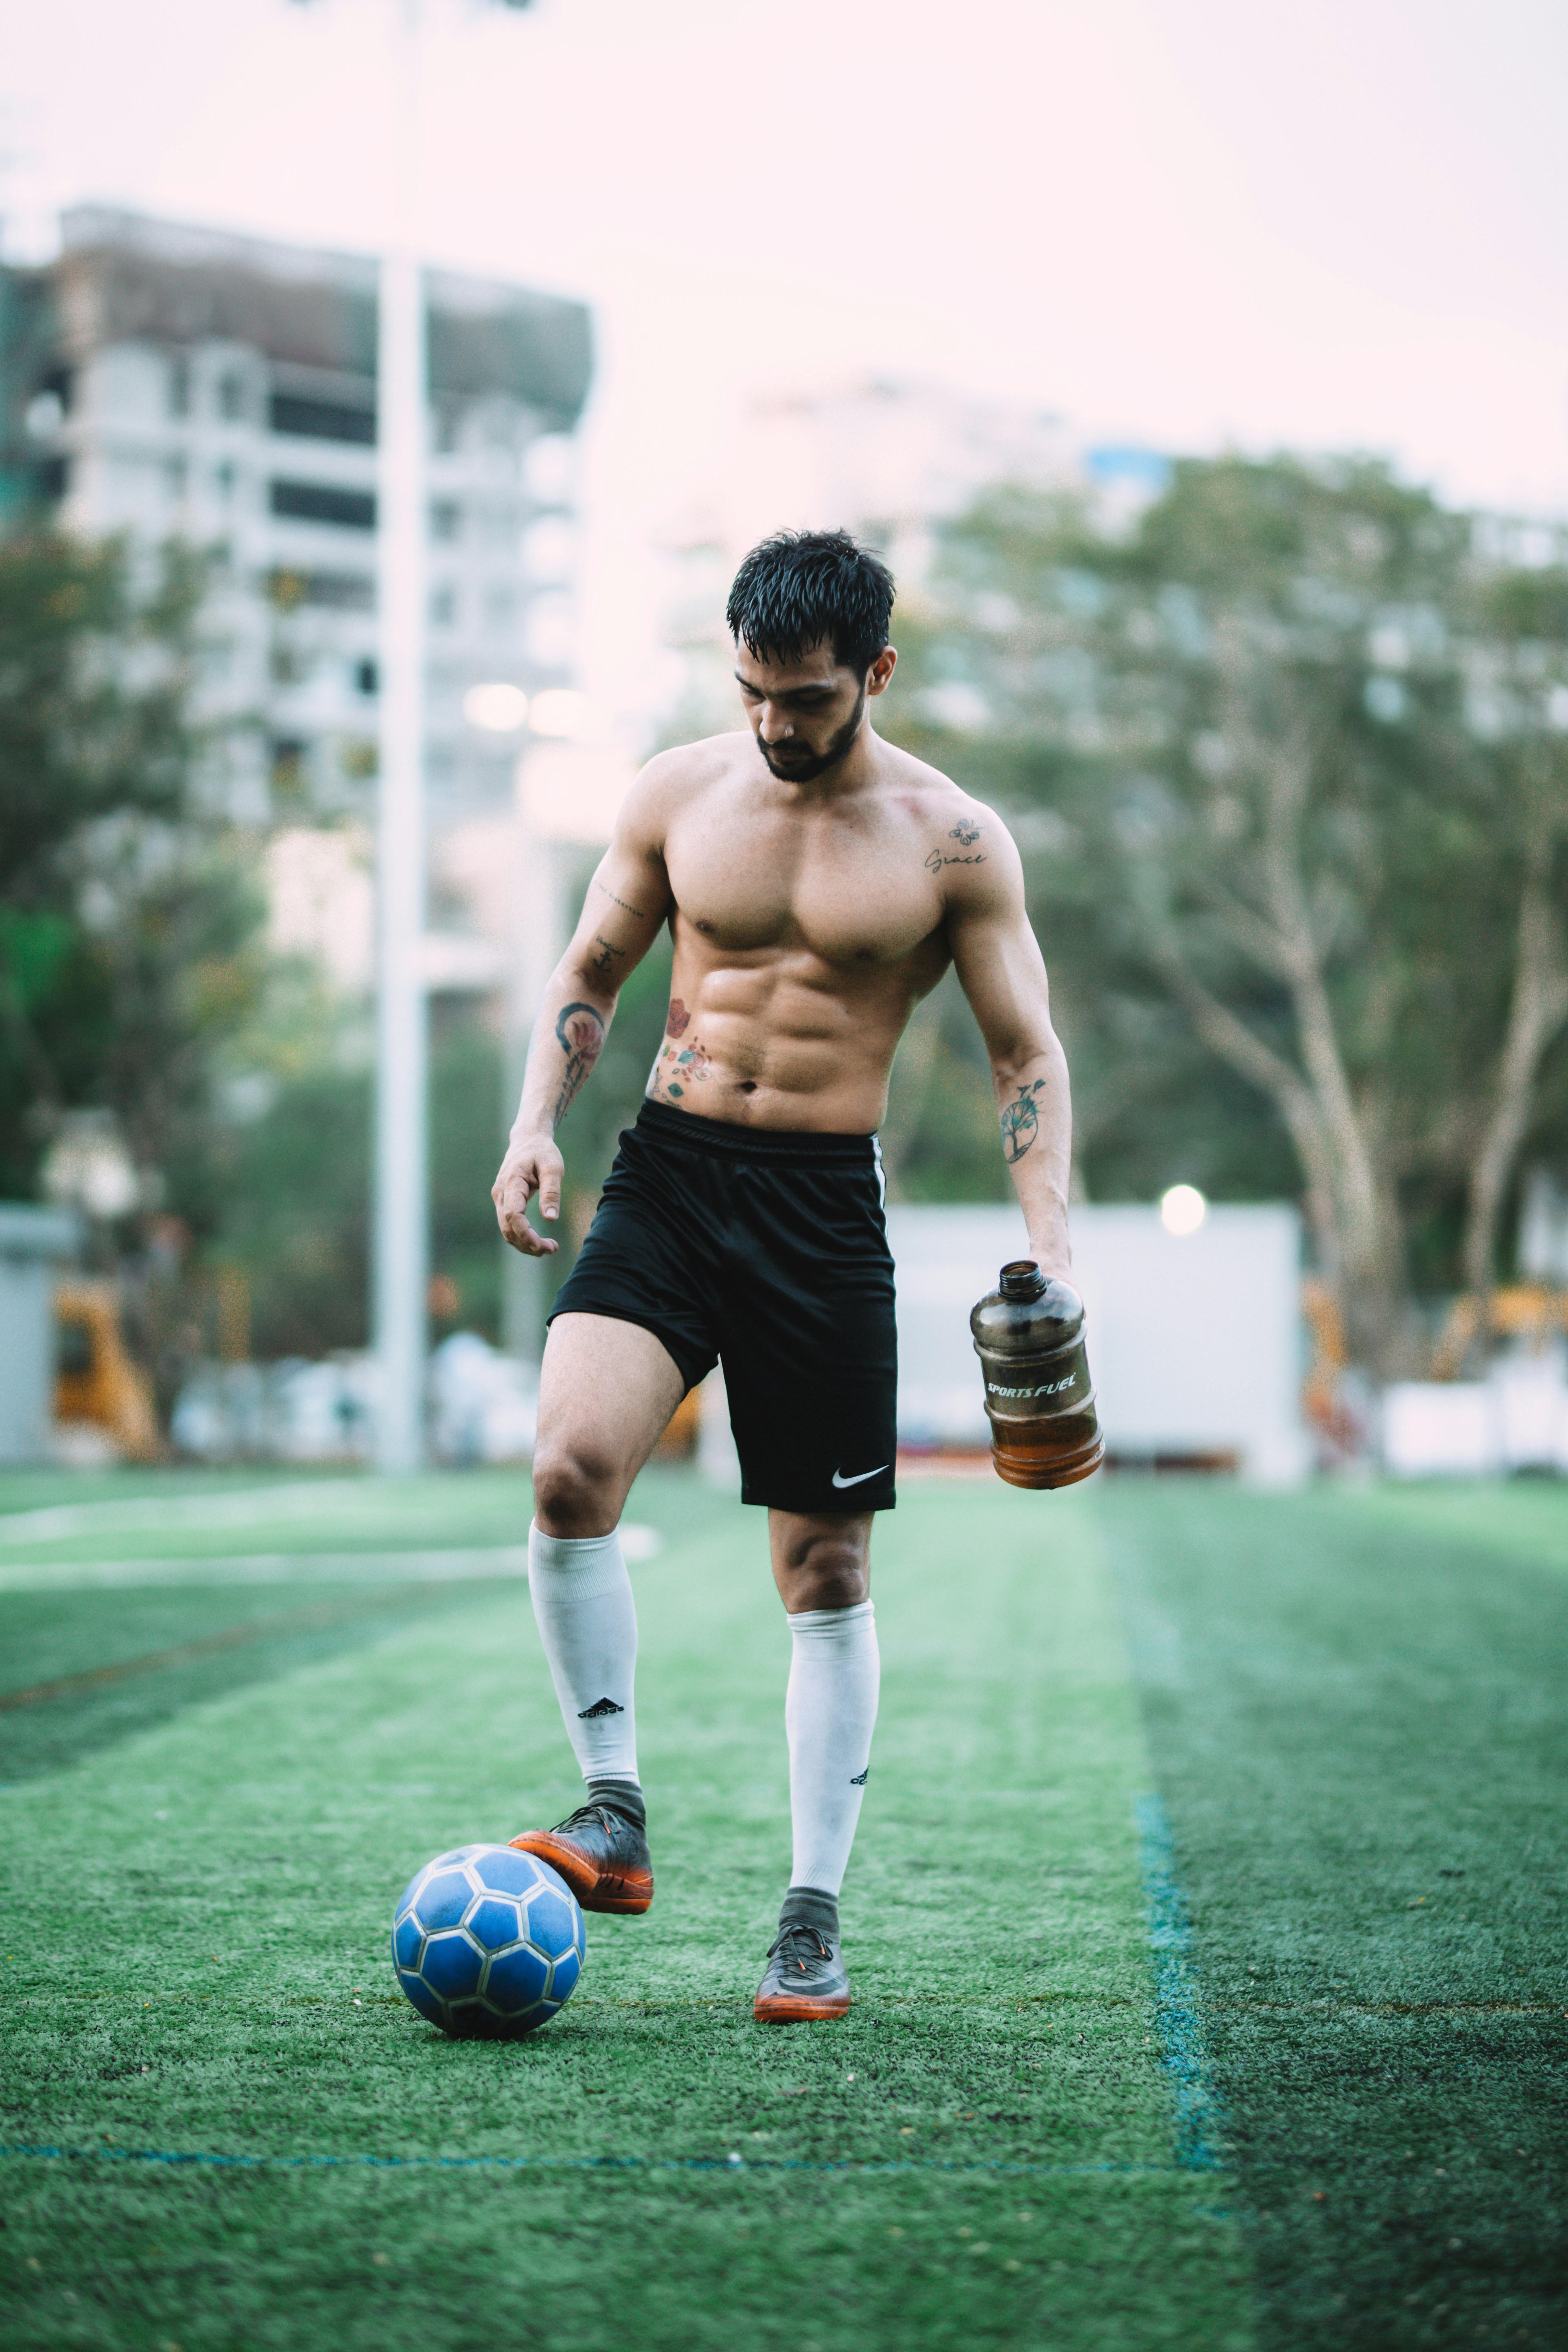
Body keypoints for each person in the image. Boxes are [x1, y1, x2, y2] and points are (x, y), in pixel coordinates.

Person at [492, 529, 1074, 2022]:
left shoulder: (955, 843)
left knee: (823, 1572)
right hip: (673, 1175)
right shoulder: (679, 793)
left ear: (875, 675)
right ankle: (612, 1812)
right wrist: (536, 1130)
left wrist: (1050, 1259)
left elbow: (1027, 1057)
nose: (775, 724)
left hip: (822, 1209)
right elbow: (591, 969)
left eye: (806, 699)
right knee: (568, 1471)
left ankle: (810, 1919)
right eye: (753, 690)